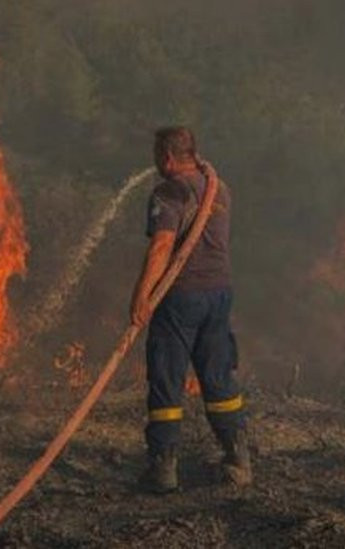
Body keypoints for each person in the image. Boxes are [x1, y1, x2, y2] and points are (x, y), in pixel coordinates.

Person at [130, 126, 250, 493]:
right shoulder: (219, 188)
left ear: (167, 157)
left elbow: (162, 246)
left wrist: (141, 296)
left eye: (156, 156)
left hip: (180, 297)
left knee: (167, 379)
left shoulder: (169, 191)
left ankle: (163, 470)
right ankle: (238, 458)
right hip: (219, 294)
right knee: (218, 378)